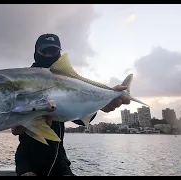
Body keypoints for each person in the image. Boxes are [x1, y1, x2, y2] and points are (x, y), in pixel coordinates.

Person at [11, 33, 131, 176]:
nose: (49, 55)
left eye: (53, 51)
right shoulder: (23, 80)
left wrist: (100, 104)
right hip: (28, 159)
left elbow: (79, 119)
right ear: (36, 53)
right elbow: (14, 126)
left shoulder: (69, 82)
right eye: (45, 51)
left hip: (58, 158)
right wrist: (20, 125)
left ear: (59, 53)